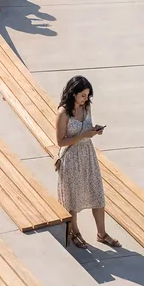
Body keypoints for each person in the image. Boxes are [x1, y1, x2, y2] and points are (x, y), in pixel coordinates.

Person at [55, 75, 121, 249]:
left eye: (88, 95)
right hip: (70, 157)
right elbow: (60, 141)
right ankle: (75, 232)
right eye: (83, 95)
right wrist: (84, 135)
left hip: (87, 155)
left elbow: (85, 129)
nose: (86, 99)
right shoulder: (63, 112)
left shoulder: (87, 106)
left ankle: (102, 233)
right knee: (73, 198)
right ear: (73, 93)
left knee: (97, 193)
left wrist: (93, 130)